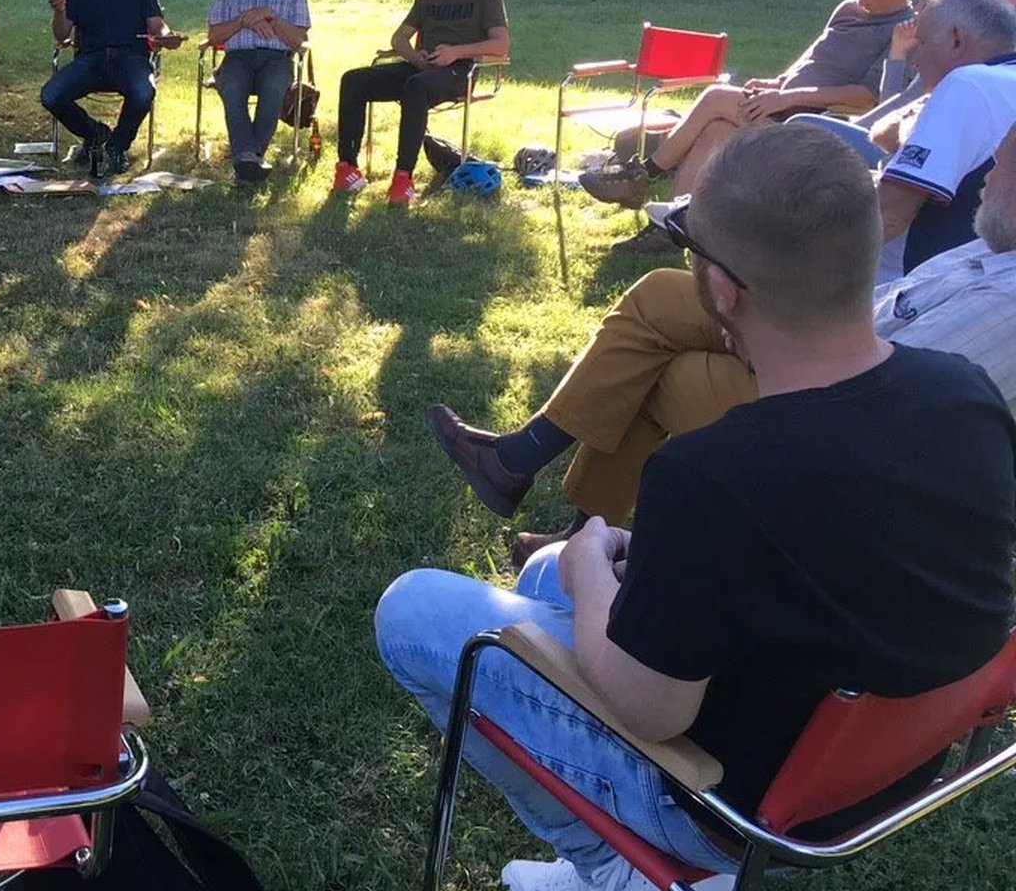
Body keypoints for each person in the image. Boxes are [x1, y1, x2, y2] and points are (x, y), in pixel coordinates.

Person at [379, 123, 1016, 891]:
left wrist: (585, 571)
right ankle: (633, 867)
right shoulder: (966, 394)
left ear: (720, 288)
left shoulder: (714, 473)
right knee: (533, 576)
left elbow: (651, 714)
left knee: (417, 608)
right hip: (889, 765)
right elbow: (844, 545)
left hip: (738, 805)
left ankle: (639, 876)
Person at [429, 119, 1016, 561]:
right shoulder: (993, 248)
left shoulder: (1005, 307)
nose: (987, 171)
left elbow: (892, 400)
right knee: (662, 294)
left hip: (829, 405)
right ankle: (531, 473)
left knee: (661, 372)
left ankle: (572, 521)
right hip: (826, 330)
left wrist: (768, 336)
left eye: (1005, 162)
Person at [582, 0, 919, 216]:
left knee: (715, 97)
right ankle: (672, 221)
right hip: (780, 104)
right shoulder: (848, 9)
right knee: (715, 130)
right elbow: (812, 59)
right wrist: (778, 84)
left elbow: (866, 96)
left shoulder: (902, 32)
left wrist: (788, 97)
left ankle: (643, 175)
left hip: (810, 124)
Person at [332, 0, 508, 204]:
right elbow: (399, 39)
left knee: (416, 87)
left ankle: (403, 178)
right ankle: (347, 168)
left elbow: (501, 45)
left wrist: (455, 52)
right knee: (353, 80)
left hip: (458, 71)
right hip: (421, 66)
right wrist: (416, 57)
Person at [784, 0, 991, 167]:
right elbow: (892, 106)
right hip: (870, 134)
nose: (918, 8)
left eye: (928, 0)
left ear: (956, 8)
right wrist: (897, 54)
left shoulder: (954, 63)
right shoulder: (938, 52)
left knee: (798, 128)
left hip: (892, 151)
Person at [874, 0, 1016, 273]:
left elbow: (887, 215)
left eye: (921, 43)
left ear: (956, 41)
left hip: (916, 292)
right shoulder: (1001, 82)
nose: (914, 61)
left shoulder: (970, 83)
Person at [42, 0, 186, 175]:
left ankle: (118, 146)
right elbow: (61, 34)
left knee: (143, 91)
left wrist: (166, 36)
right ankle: (95, 133)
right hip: (91, 60)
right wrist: (59, 12)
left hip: (130, 59)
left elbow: (156, 24)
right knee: (50, 94)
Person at [205, 0, 311, 183]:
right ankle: (250, 160)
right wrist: (244, 20)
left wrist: (270, 17)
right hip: (238, 57)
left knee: (274, 88)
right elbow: (214, 36)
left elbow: (299, 40)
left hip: (276, 57)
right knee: (231, 87)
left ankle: (246, 158)